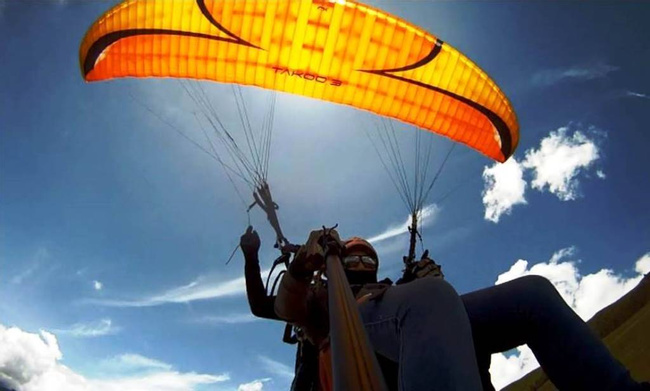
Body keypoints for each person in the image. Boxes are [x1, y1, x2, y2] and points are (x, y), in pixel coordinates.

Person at [273, 228, 646, 391]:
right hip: (354, 344)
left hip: (414, 319)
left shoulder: (401, 293)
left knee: (532, 296)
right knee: (430, 298)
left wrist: (430, 283)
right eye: (353, 256)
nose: (359, 262)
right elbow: (283, 305)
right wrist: (303, 264)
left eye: (365, 257)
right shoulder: (326, 298)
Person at [240, 226, 320, 391]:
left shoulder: (380, 298)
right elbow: (260, 306)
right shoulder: (319, 299)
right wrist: (251, 257)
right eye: (353, 260)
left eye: (366, 260)